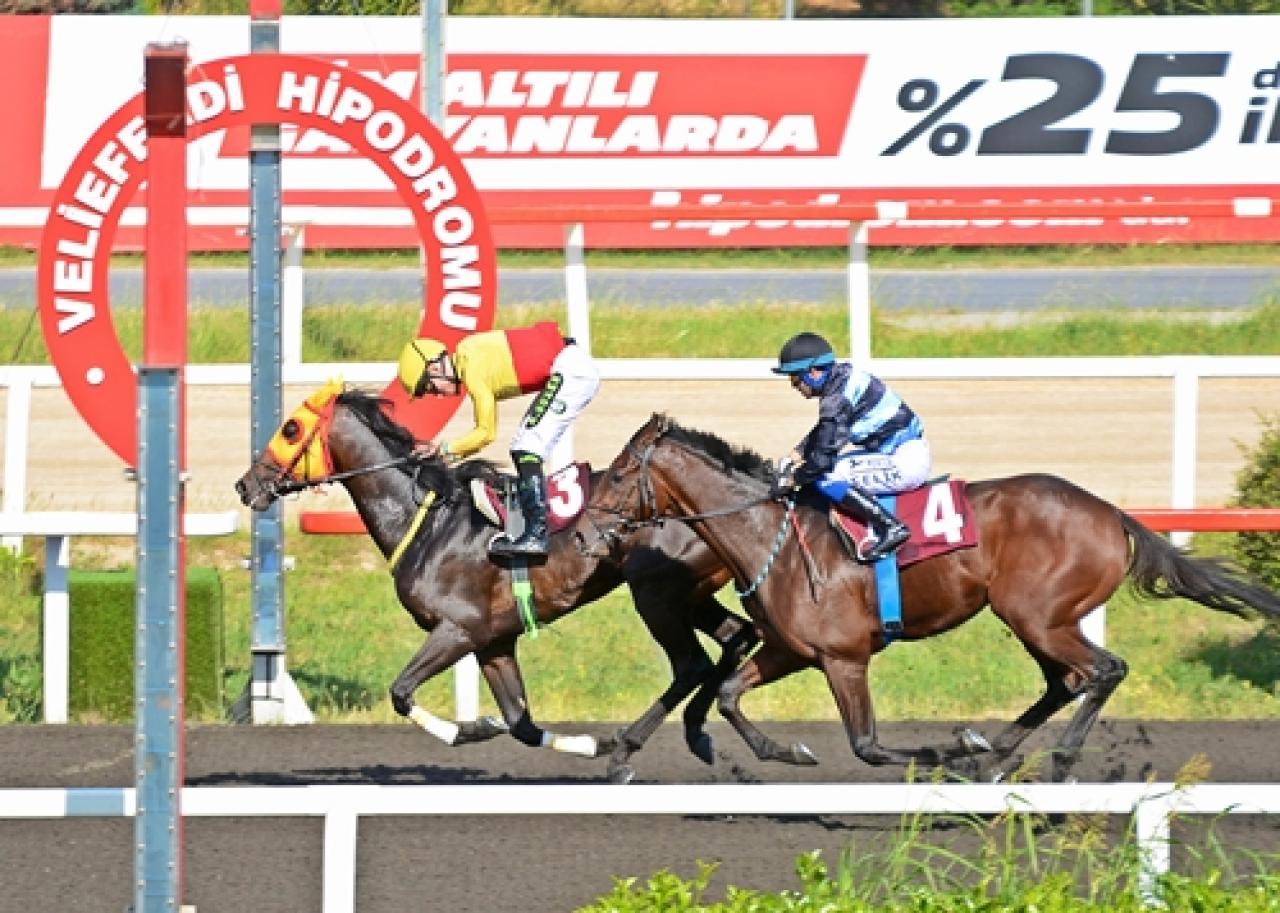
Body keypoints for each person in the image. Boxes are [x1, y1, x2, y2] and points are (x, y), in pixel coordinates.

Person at [396, 321, 600, 559]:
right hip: (568, 366)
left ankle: (537, 534)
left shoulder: (472, 367)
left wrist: (443, 450)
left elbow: (486, 433)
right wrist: (445, 453)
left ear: (434, 369)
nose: (438, 395)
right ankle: (535, 527)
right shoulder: (468, 355)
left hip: (571, 371)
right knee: (521, 446)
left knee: (527, 447)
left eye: (430, 388)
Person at [771, 331, 930, 563]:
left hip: (904, 462)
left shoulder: (836, 399)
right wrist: (793, 456)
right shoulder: (842, 378)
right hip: (900, 450)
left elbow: (823, 460)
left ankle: (890, 527)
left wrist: (794, 478)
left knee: (826, 477)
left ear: (813, 373)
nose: (794, 386)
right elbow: (825, 431)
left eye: (795, 379)